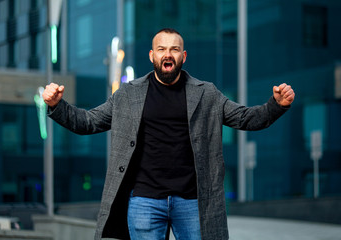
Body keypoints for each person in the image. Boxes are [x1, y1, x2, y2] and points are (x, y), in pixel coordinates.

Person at [43, 28, 295, 240]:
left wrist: (276, 105)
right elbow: (89, 122)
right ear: (152, 55)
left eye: (174, 49)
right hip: (145, 201)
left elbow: (244, 118)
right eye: (162, 49)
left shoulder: (206, 94)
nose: (168, 54)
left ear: (183, 56)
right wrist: (57, 105)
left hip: (193, 202)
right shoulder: (128, 94)